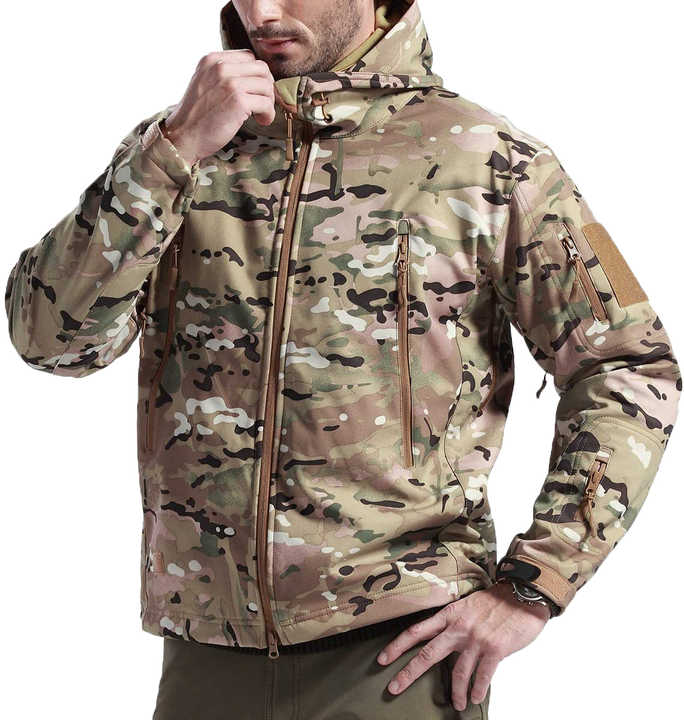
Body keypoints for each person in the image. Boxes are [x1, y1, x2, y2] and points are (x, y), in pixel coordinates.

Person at [4, 0, 680, 718]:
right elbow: (51, 341)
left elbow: (628, 365)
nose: (261, 10)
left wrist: (536, 582)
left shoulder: (488, 158)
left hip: (400, 654)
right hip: (206, 653)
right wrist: (170, 153)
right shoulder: (180, 151)